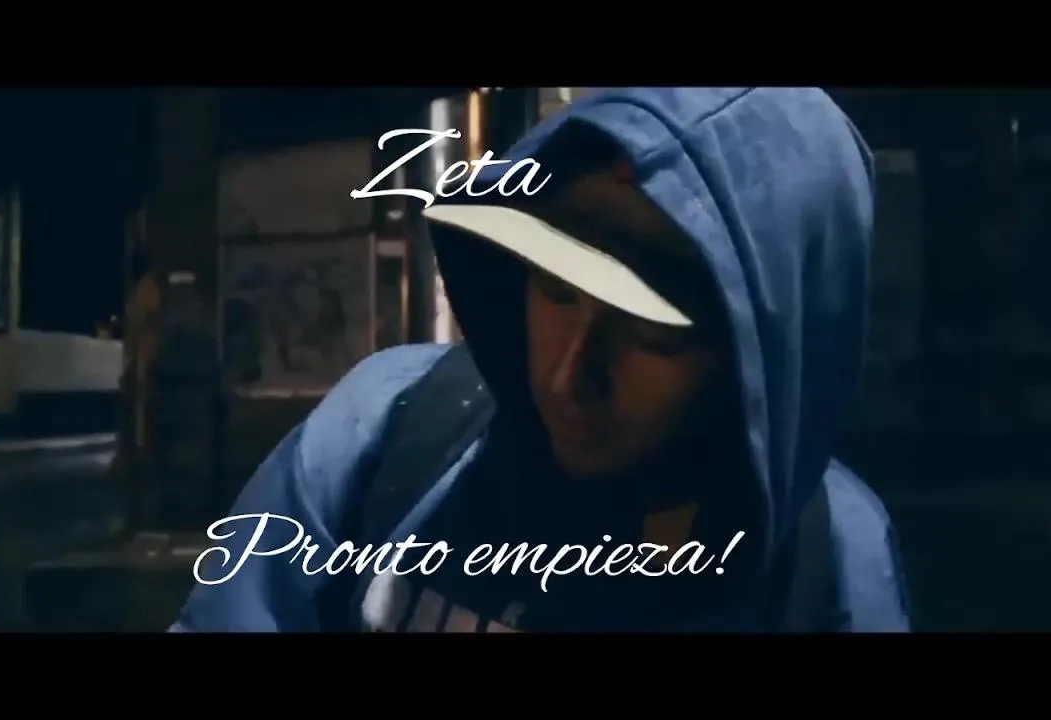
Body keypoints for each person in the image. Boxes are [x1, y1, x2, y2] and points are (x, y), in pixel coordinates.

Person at [171, 87, 910, 632]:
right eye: (556, 288)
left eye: (650, 329)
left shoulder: (829, 566)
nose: (567, 375)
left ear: (757, 357)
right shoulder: (386, 430)